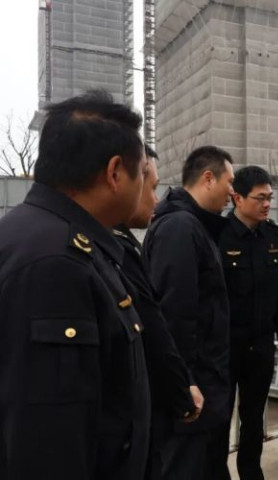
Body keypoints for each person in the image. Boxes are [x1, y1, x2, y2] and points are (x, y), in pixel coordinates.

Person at [0, 90, 151, 479]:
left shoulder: (44, 237)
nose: (145, 187)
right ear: (115, 173)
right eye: (141, 173)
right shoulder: (56, 263)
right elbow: (49, 444)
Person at [112, 145, 204, 479]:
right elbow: (162, 322)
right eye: (150, 187)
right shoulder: (176, 228)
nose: (155, 199)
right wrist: (181, 389)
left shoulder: (118, 245)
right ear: (116, 177)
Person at [143, 145, 235, 480]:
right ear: (208, 178)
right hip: (193, 396)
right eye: (229, 182)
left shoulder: (195, 226)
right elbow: (174, 314)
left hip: (205, 387)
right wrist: (185, 384)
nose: (232, 192)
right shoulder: (180, 228)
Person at [218, 166, 278, 480]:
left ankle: (251, 473)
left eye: (270, 198)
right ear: (237, 198)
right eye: (260, 198)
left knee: (253, 419)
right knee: (219, 418)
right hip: (225, 347)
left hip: (260, 345)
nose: (267, 204)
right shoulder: (217, 235)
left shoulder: (274, 237)